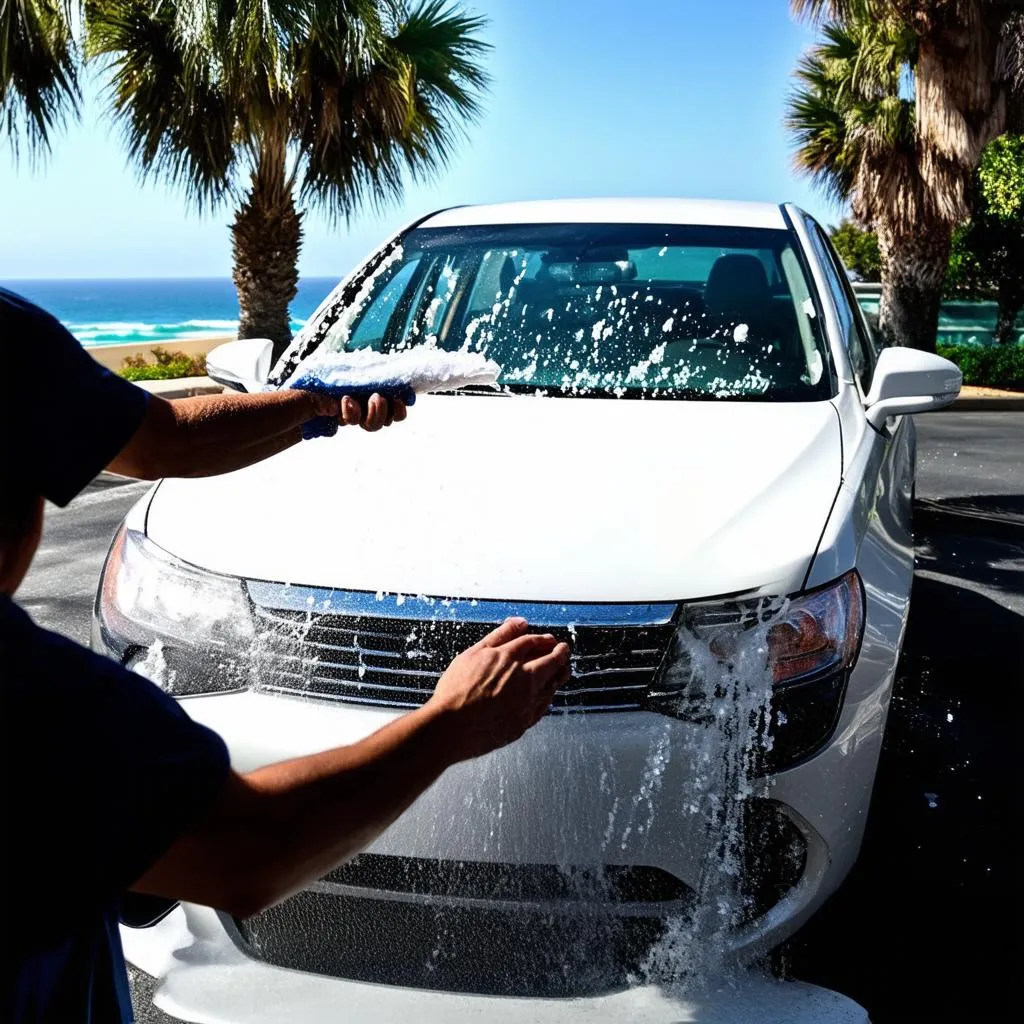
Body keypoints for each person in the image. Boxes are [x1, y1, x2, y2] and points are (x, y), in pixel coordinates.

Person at [0, 287, 571, 1023]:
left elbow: (163, 435)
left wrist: (309, 403)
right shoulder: (39, 705)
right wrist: (450, 723)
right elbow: (246, 850)